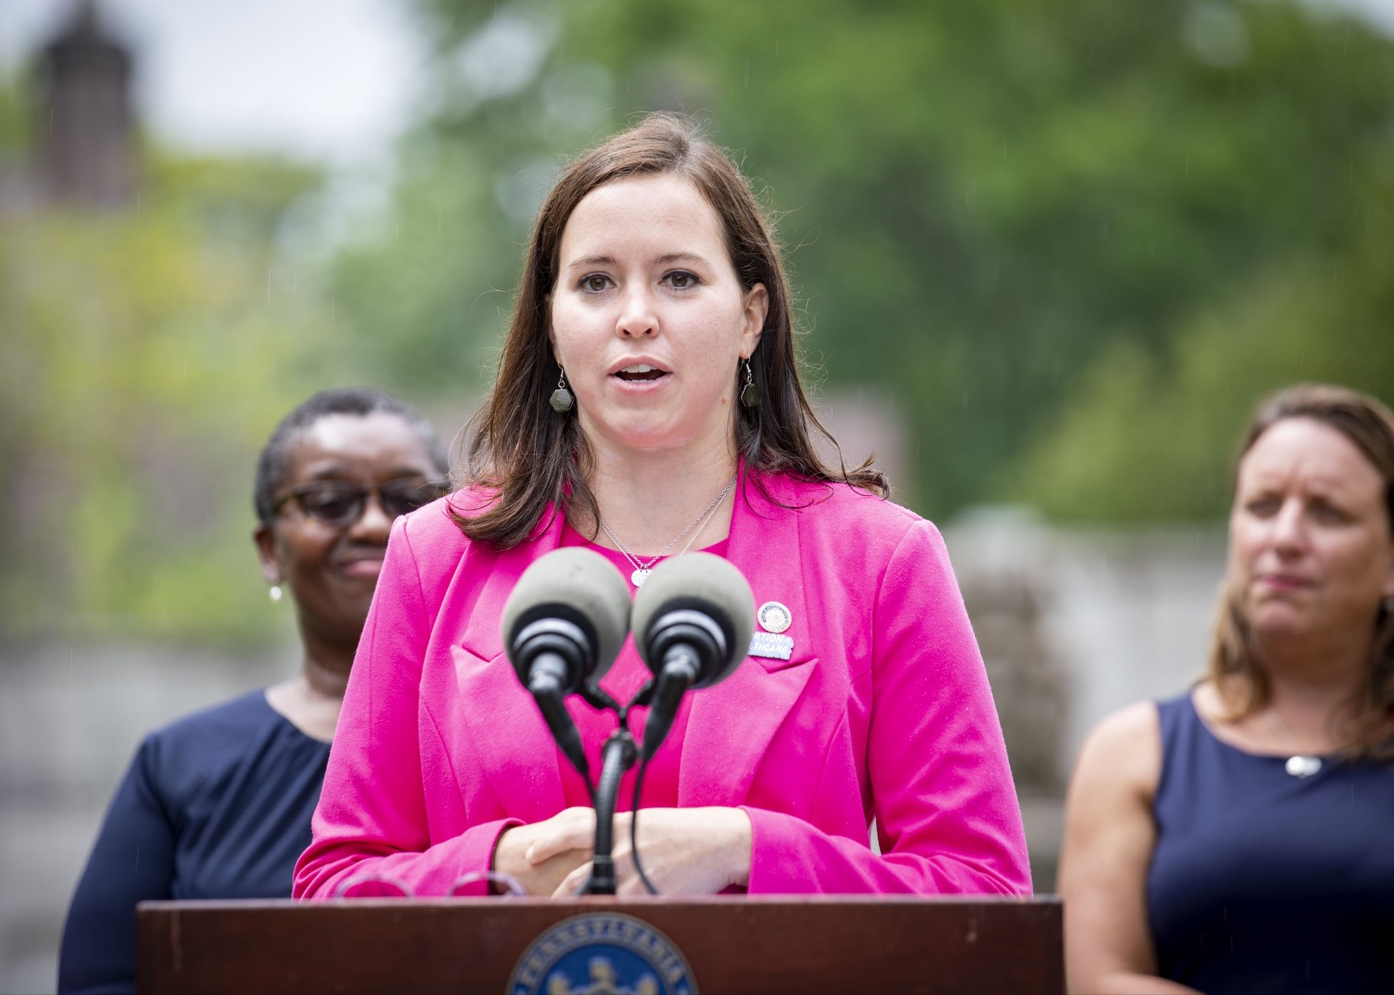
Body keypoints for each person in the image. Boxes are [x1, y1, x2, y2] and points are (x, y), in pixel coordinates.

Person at [293, 113, 1030, 901]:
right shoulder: (435, 555)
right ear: (552, 323)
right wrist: (501, 867)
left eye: (679, 279)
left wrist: (747, 850)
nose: (635, 316)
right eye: (595, 282)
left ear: (750, 317)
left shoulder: (880, 559)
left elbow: (984, 889)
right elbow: (334, 883)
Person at [57, 387, 448, 994]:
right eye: (329, 502)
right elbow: (101, 981)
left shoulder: (519, 741)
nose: (376, 524)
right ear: (270, 551)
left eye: (408, 499)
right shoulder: (180, 765)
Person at [1058, 383, 1394, 994]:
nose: (1284, 537)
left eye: (1327, 512)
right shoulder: (1132, 756)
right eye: (1263, 506)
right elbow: (1099, 980)